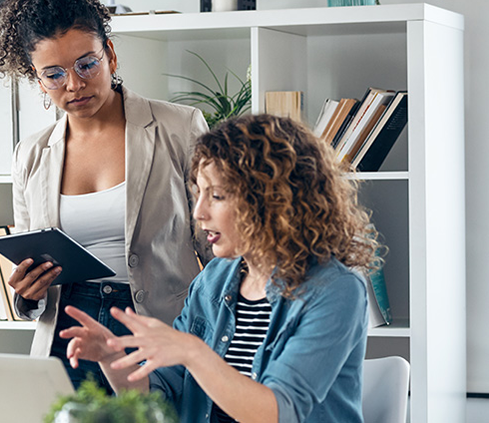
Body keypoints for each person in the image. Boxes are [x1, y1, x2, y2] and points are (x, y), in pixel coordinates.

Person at [61, 114, 382, 422]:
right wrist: (112, 357)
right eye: (197, 193)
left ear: (270, 199)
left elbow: (278, 413)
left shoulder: (336, 291)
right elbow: (161, 399)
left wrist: (192, 352)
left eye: (216, 196)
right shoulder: (212, 281)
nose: (198, 212)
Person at [0, 0, 212, 391]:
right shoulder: (30, 154)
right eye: (53, 74)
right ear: (37, 79)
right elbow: (31, 270)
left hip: (157, 330)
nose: (74, 84)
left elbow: (216, 250)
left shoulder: (179, 128)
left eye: (86, 64)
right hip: (68, 334)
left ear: (110, 54)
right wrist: (28, 295)